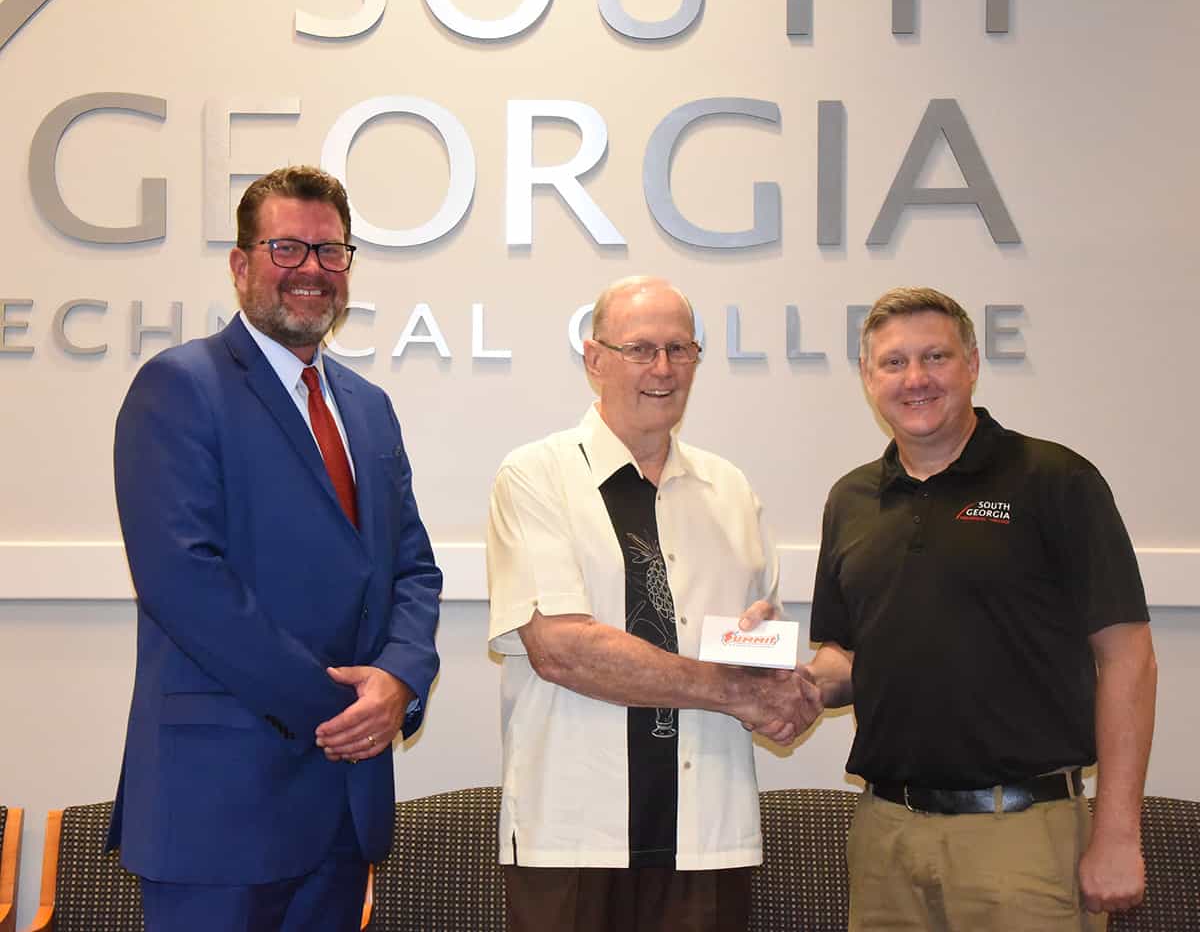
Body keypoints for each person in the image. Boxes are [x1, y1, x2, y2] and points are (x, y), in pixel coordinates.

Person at [108, 165, 442, 932]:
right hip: (219, 807)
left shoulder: (368, 406)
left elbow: (411, 568)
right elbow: (184, 582)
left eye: (331, 253)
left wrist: (399, 678)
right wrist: (346, 710)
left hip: (342, 815)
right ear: (240, 264)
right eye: (287, 249)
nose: (312, 272)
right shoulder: (179, 386)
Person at [797, 286, 1156, 930]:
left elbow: (1129, 659)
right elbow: (845, 657)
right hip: (886, 838)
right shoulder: (850, 501)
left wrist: (1118, 834)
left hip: (1022, 839)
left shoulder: (1055, 481)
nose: (916, 380)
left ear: (972, 364)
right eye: (894, 362)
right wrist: (781, 686)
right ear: (866, 377)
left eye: (935, 357)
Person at [486, 275, 822, 932]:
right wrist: (737, 692)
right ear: (595, 359)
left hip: (709, 839)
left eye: (680, 349)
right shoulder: (536, 475)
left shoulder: (731, 490)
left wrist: (783, 688)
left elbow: (760, 640)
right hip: (572, 840)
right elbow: (563, 650)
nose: (663, 369)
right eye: (641, 349)